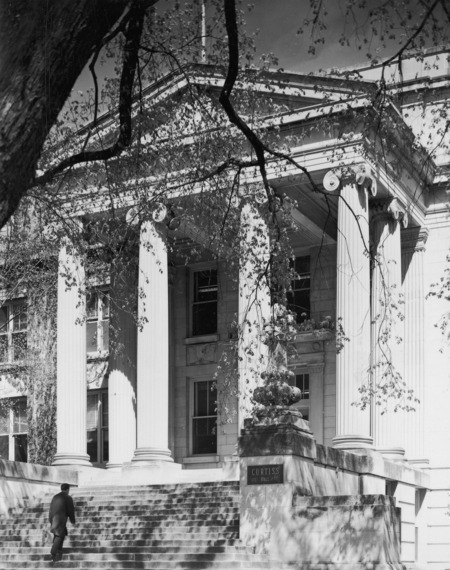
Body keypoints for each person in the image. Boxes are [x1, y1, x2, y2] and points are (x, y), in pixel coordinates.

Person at [48, 483, 75, 563]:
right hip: (61, 519)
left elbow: (51, 509)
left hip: (54, 518)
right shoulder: (68, 497)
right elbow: (71, 510)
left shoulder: (55, 497)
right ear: (67, 489)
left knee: (60, 534)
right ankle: (53, 552)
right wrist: (72, 520)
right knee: (59, 536)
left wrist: (50, 520)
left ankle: (59, 551)